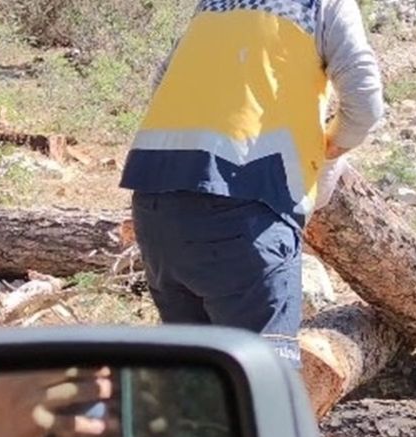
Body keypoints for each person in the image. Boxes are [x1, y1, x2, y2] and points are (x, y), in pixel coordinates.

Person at [119, 0, 384, 367]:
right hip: (246, 210)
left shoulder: (211, 6)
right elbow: (366, 104)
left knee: (198, 382)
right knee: (264, 386)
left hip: (155, 202)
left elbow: (162, 83)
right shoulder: (322, 6)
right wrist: (328, 148)